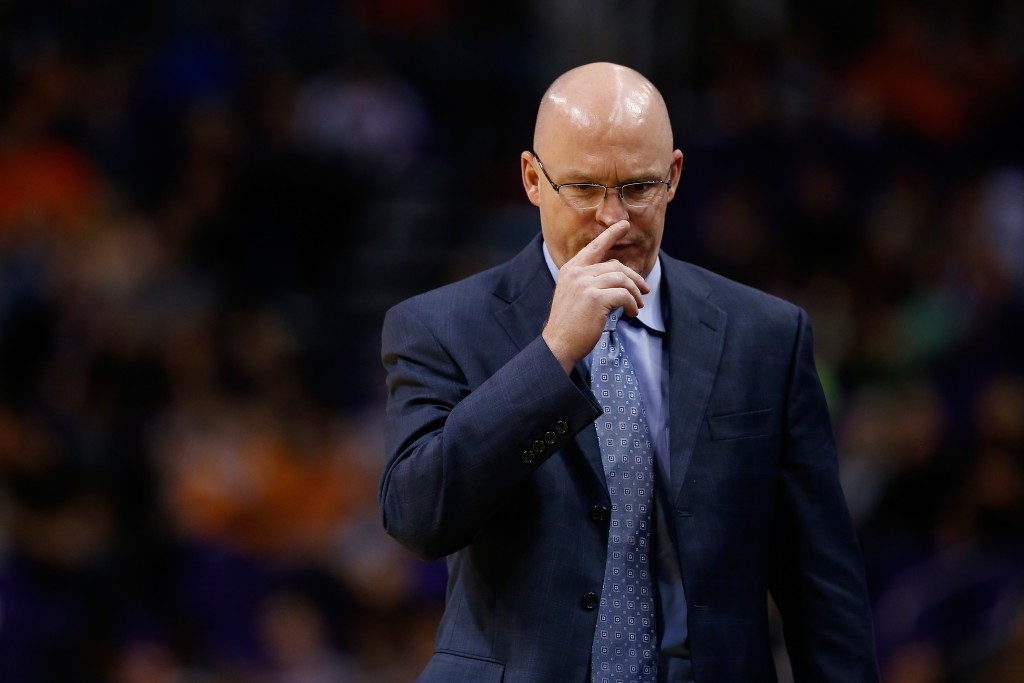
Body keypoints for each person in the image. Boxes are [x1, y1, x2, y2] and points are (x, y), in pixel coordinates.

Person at [379, 62, 879, 682]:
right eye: (585, 188)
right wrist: (553, 353)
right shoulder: (438, 327)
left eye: (638, 187)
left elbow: (821, 582)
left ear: (673, 176)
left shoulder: (767, 337)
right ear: (533, 180)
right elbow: (419, 518)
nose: (613, 218)